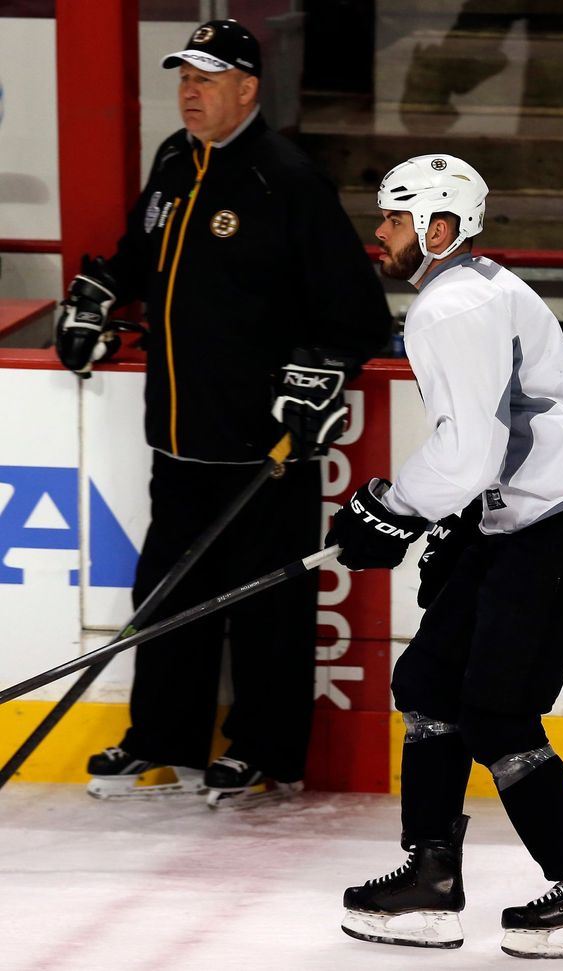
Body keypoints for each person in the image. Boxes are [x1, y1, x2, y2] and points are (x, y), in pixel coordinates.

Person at [54, 20, 392, 806]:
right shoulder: (175, 162)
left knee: (267, 607)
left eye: (207, 78)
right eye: (184, 77)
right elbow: (144, 253)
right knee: (167, 593)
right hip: (178, 436)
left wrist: (316, 377)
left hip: (262, 451)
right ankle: (162, 739)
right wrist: (100, 288)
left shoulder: (287, 181)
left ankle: (263, 750)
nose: (190, 91)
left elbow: (357, 316)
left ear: (248, 89)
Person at [325, 154, 563, 959]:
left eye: (394, 219)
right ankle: (429, 878)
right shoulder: (475, 290)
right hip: (526, 516)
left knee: (496, 707)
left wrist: (390, 508)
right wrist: (462, 523)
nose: (380, 233)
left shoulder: (452, 303)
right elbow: (489, 443)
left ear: (438, 227)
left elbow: (468, 449)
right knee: (428, 680)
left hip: (562, 522)